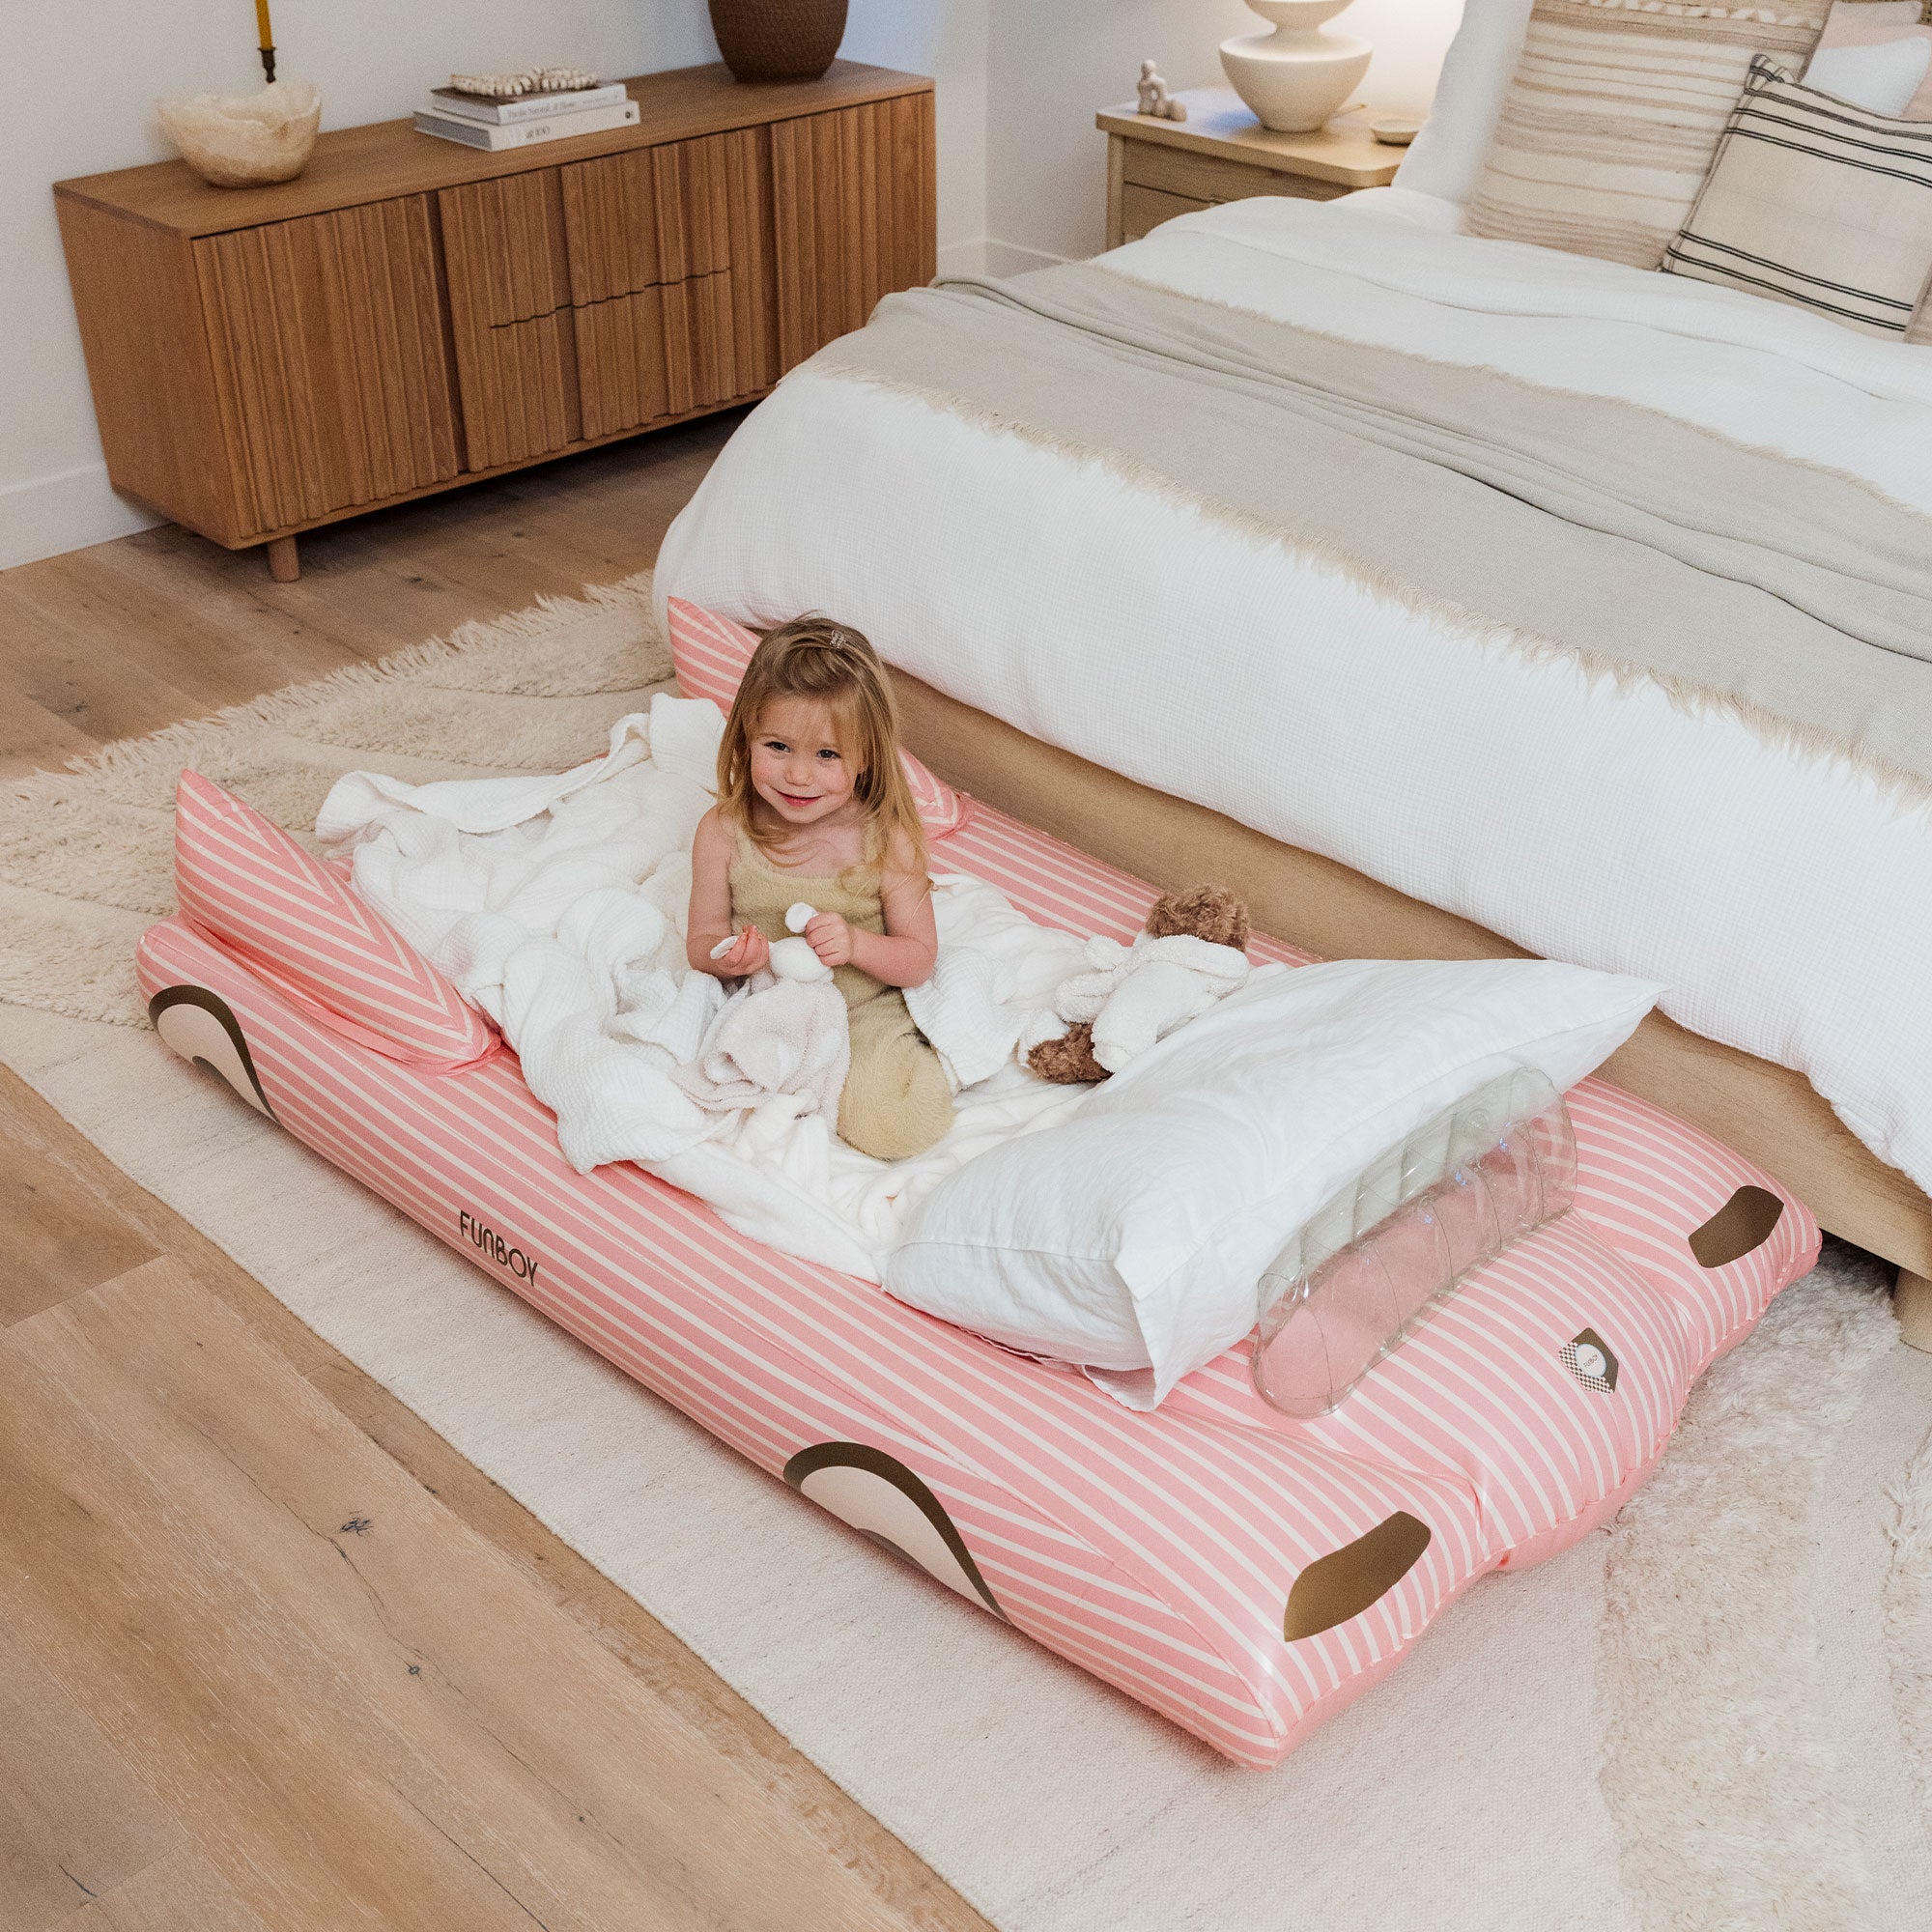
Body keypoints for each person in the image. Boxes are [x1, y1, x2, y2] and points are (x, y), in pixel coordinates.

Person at [686, 614, 954, 1160]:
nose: (798, 776)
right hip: (763, 1002)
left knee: (898, 1126)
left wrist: (857, 945)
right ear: (745, 737)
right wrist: (729, 958)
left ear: (867, 757)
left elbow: (918, 959)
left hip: (862, 1008)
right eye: (778, 746)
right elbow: (700, 941)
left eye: (827, 754)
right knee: (692, 1099)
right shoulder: (722, 832)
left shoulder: (888, 841)